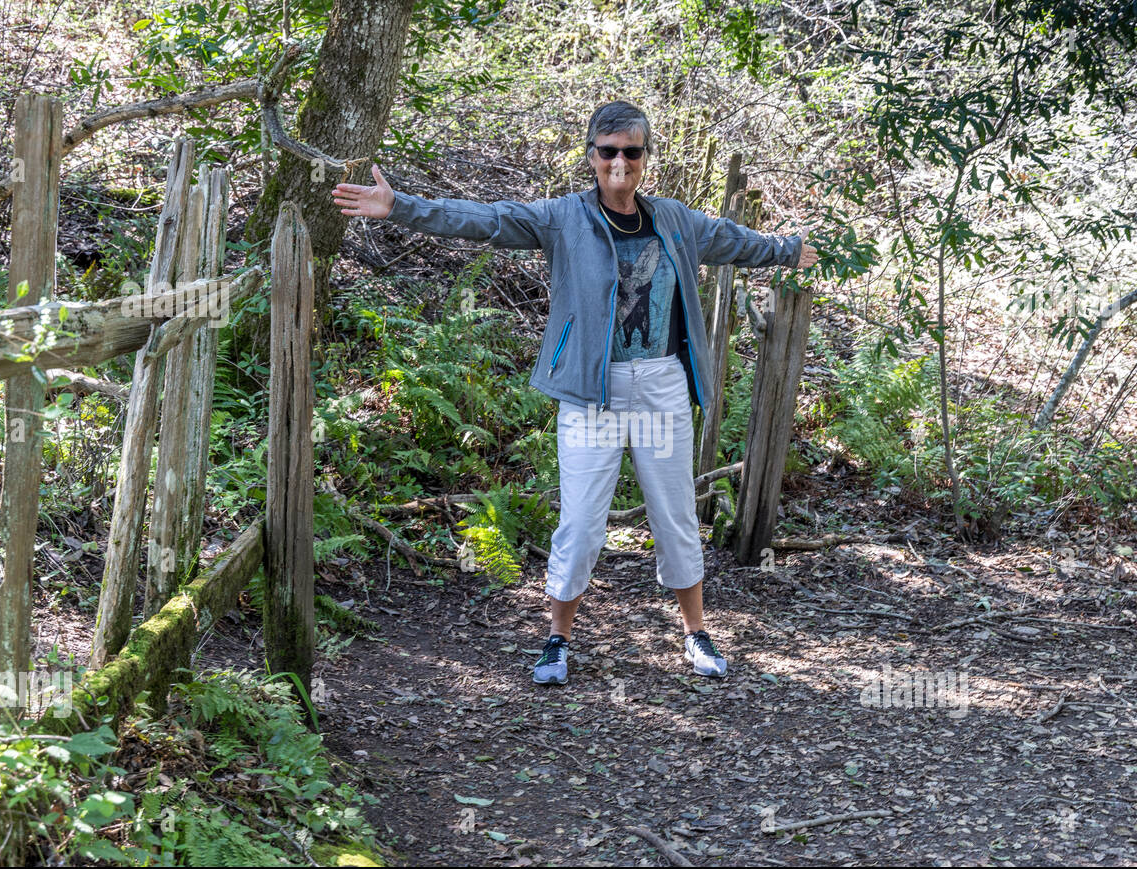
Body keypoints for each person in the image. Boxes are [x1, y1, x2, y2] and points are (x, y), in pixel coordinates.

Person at [332, 101, 818, 686]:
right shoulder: (564, 217)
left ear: (645, 159)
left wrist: (790, 249)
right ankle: (556, 641)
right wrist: (401, 207)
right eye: (608, 150)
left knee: (675, 516)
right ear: (591, 156)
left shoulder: (674, 220)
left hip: (662, 384)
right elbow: (487, 219)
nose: (619, 161)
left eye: (631, 151)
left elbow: (732, 240)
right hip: (592, 391)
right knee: (583, 522)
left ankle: (695, 633)